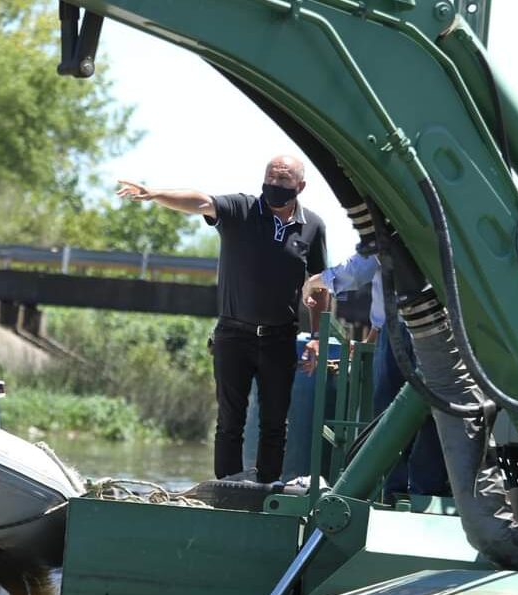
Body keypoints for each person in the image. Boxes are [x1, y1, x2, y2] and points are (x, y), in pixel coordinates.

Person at [116, 155, 328, 484]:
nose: (274, 184)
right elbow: (201, 201)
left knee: (275, 422)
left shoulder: (312, 226)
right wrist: (155, 194)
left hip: (280, 338)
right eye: (270, 178)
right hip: (234, 335)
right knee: (230, 421)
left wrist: (317, 337)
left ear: (300, 186)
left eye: (283, 180)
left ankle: (266, 488)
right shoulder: (241, 209)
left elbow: (321, 284)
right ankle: (228, 487)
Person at [304, 250, 449, 498]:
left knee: (391, 415)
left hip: (402, 330)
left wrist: (315, 282)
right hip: (440, 328)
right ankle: (424, 492)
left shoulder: (393, 228)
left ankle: (395, 493)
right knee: (434, 412)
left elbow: (360, 269)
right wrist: (374, 333)